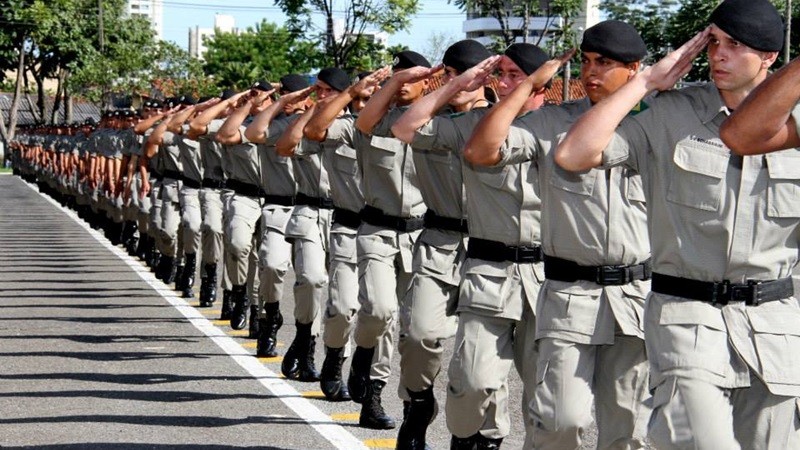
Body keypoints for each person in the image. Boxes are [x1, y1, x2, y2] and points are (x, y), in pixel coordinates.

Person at [555, 1, 800, 448]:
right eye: (713, 44)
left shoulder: (795, 126)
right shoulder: (671, 113)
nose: (719, 55)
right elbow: (573, 155)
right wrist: (645, 82)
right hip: (687, 321)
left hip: (775, 331)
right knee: (699, 441)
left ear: (768, 57)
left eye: (735, 45)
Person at [463, 20, 653, 449]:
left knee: (629, 431)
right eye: (586, 62)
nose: (591, 72)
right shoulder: (551, 122)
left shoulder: (657, 124)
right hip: (571, 296)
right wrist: (525, 86)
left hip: (636, 300)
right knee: (559, 420)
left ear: (635, 68)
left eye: (604, 63)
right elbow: (480, 151)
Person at [393, 43, 563, 449]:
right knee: (471, 381)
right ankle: (451, 427)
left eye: (515, 75)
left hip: (548, 278)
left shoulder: (566, 125)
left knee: (547, 399)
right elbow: (405, 129)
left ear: (543, 82)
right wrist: (457, 86)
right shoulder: (474, 125)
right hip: (489, 271)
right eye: (498, 74)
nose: (503, 83)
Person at [370, 39, 494, 449]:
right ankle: (418, 403)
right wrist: (440, 85)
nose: (469, 82)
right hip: (440, 241)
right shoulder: (431, 116)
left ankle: (478, 436)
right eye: (459, 73)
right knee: (420, 334)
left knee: (484, 359)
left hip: (492, 246)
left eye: (476, 74)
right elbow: (376, 124)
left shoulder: (505, 116)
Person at [302, 68, 394, 405]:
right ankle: (334, 354)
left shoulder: (396, 129)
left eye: (373, 98)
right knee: (342, 308)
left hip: (385, 232)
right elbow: (311, 132)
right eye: (360, 99)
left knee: (383, 312)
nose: (367, 105)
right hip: (347, 228)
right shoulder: (340, 129)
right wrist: (343, 94)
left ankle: (373, 390)